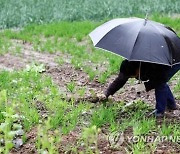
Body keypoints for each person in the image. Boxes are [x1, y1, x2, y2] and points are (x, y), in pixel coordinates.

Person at [104, 59, 180, 117]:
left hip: (173, 61)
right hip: (154, 67)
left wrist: (145, 86)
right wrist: (107, 93)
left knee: (160, 84)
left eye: (132, 76)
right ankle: (172, 105)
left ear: (137, 70)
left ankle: (160, 112)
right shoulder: (129, 64)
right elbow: (120, 80)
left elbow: (159, 80)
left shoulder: (152, 65)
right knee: (161, 83)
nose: (131, 78)